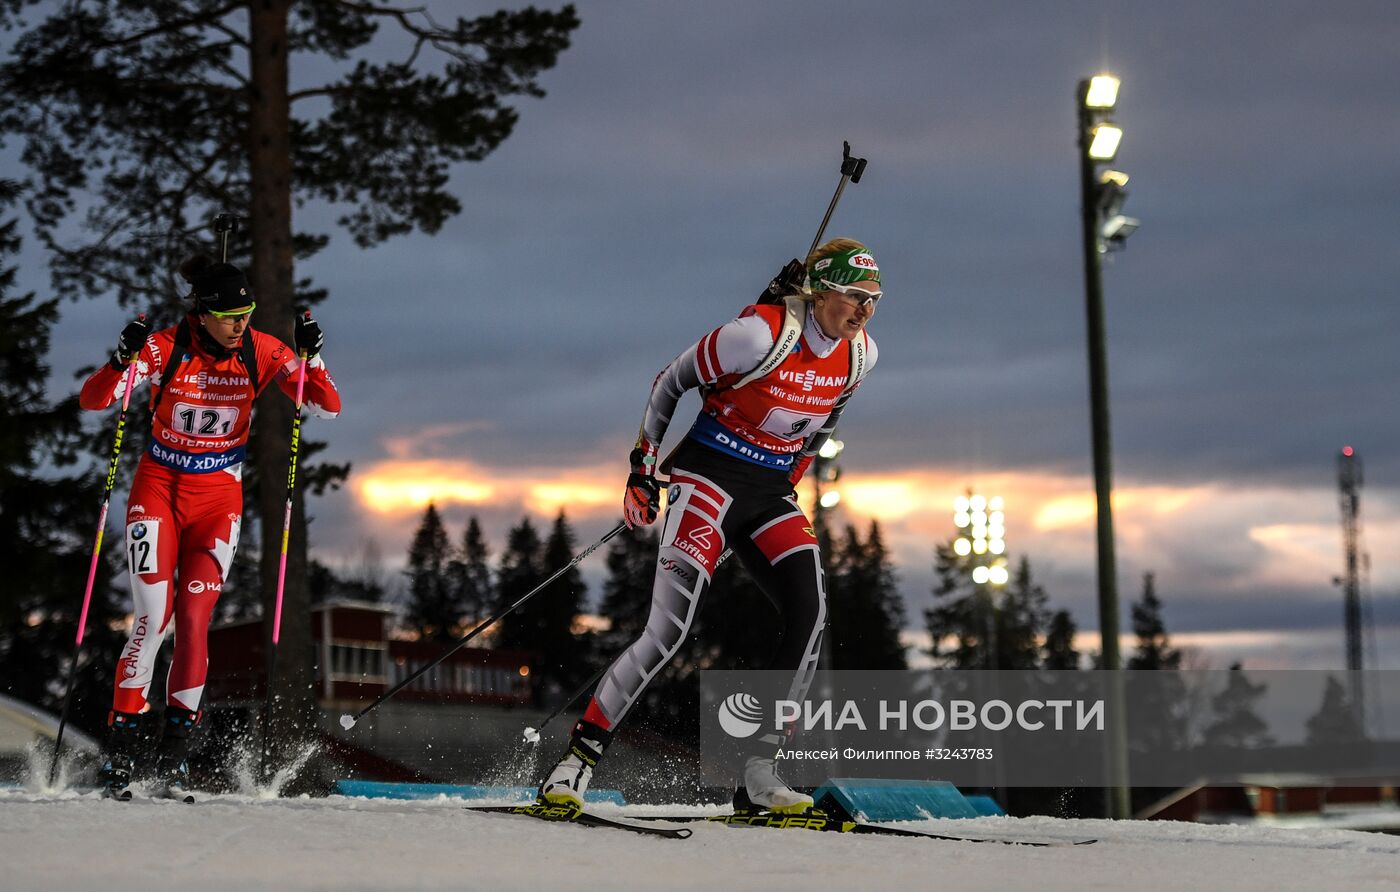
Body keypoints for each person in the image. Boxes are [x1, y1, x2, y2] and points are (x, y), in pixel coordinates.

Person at [538, 238, 881, 816]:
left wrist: (793, 471)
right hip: (709, 479)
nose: (864, 311)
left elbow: (830, 415)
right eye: (853, 296)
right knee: (668, 630)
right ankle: (575, 763)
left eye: (873, 300)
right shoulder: (757, 335)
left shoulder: (861, 354)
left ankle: (757, 773)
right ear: (820, 290)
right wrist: (643, 470)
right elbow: (672, 381)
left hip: (769, 491)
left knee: (811, 615)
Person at [78, 255, 341, 797]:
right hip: (158, 490)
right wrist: (118, 360)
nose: (239, 324)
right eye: (229, 316)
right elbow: (94, 400)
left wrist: (313, 359)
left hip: (218, 499)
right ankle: (121, 754)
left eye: (246, 313)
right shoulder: (167, 347)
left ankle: (175, 756)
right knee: (155, 617)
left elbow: (327, 406)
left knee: (196, 619)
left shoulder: (262, 350)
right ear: (202, 314)